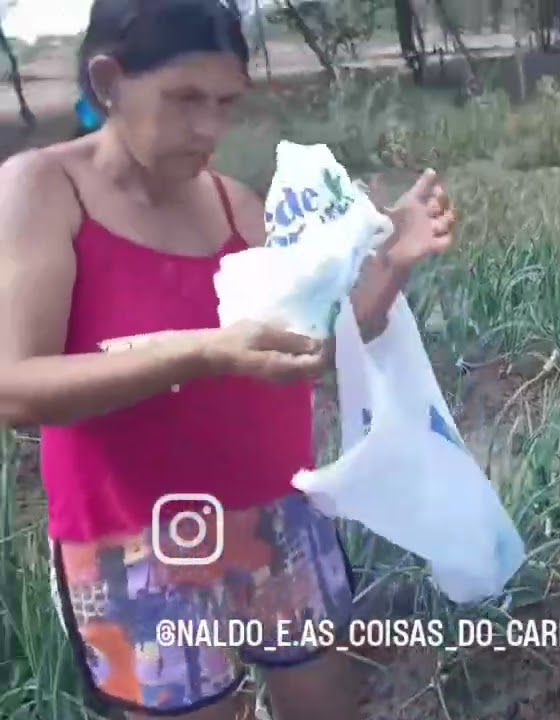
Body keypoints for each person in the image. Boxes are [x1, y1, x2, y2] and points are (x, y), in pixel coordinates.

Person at [0, 1, 456, 719]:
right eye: (184, 100)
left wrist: (389, 267)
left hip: (280, 516)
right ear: (108, 80)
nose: (210, 129)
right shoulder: (43, 191)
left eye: (225, 103)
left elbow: (310, 342)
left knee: (328, 704)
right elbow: (14, 385)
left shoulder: (233, 203)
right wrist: (206, 351)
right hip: (138, 541)